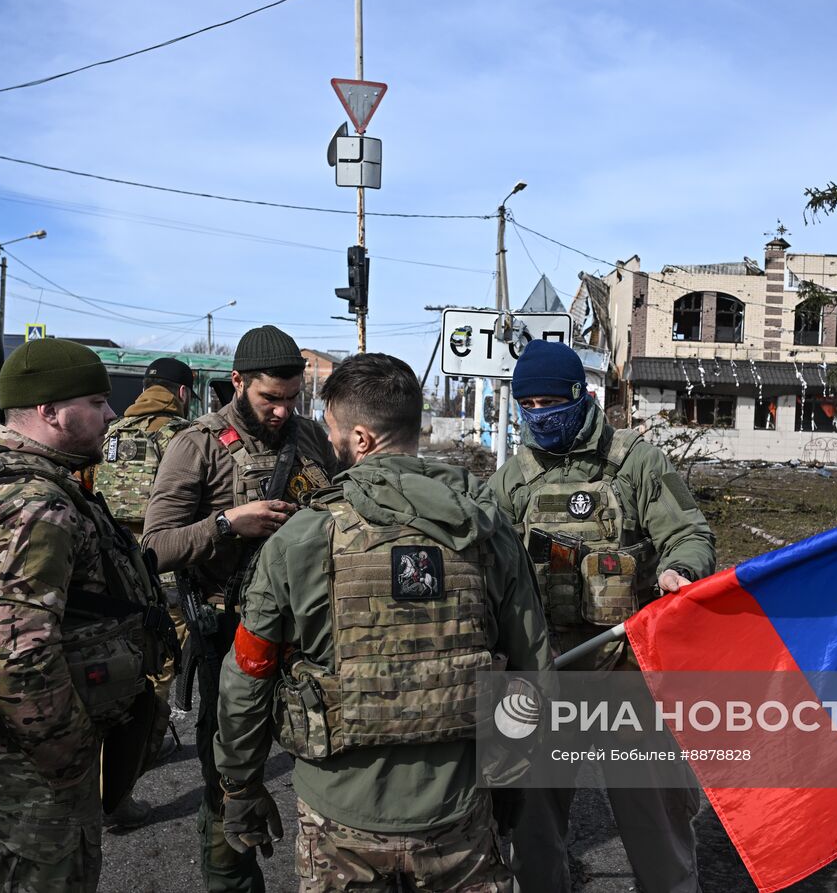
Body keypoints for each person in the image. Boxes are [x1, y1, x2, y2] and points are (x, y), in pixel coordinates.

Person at [212, 352, 553, 892]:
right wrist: (511, 783)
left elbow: (249, 675)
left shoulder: (300, 539)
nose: (328, 442)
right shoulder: (488, 530)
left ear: (363, 439)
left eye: (332, 431)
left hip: (338, 819)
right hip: (459, 813)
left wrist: (239, 786)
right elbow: (533, 669)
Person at [0, 339, 173, 892]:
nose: (111, 414)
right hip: (31, 756)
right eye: (97, 401)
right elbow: (13, 655)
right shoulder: (35, 503)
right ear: (50, 411)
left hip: (4, 740)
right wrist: (71, 754)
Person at [488, 339, 716, 893]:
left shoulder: (635, 460)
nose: (539, 416)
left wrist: (679, 570)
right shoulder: (513, 480)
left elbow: (689, 531)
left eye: (550, 403)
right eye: (529, 406)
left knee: (653, 813)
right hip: (546, 670)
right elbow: (483, 562)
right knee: (532, 822)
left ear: (578, 395)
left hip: (627, 667)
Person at [142, 326, 334, 893]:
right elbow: (154, 548)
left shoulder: (309, 435)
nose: (281, 411)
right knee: (227, 781)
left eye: (291, 398)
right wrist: (229, 523)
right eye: (268, 399)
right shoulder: (196, 443)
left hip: (308, 633)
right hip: (229, 634)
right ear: (237, 383)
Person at [88, 355, 196, 823]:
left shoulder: (109, 431)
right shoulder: (182, 436)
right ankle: (121, 786)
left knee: (114, 665)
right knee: (158, 669)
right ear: (183, 393)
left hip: (112, 571)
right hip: (163, 571)